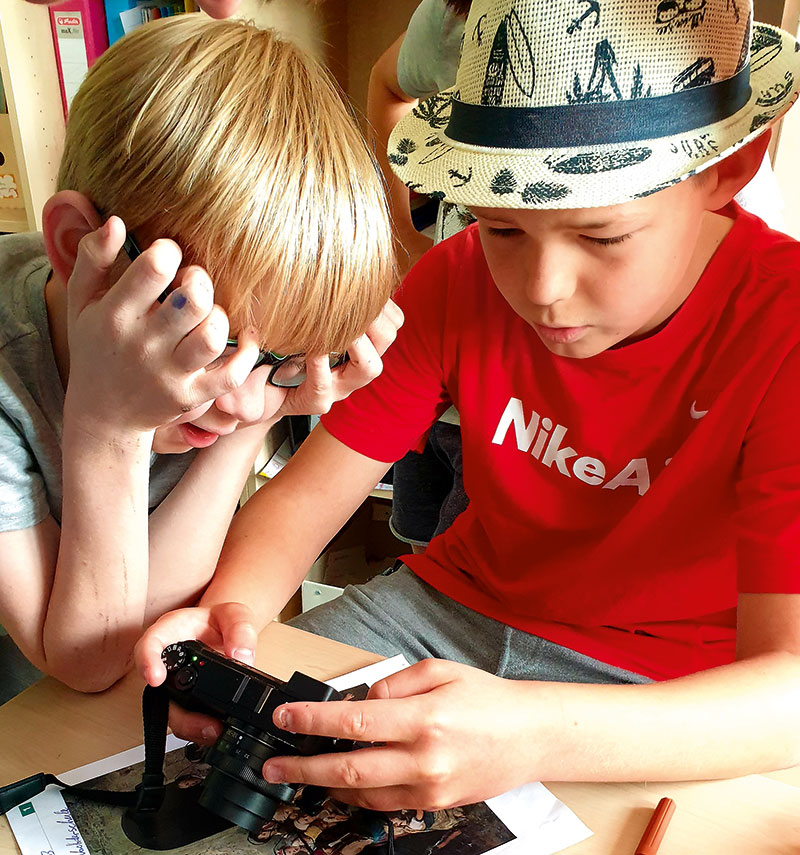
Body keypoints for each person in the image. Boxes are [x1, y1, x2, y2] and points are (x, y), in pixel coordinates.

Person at [138, 0, 800, 811]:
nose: (543, 292)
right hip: (443, 611)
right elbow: (309, 495)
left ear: (727, 170)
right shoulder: (455, 278)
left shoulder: (784, 329)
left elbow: (787, 692)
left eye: (602, 237)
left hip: (665, 688)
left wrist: (539, 731)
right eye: (502, 230)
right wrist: (230, 624)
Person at [0, 13, 400, 694]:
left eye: (278, 361)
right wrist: (106, 427)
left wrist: (257, 421)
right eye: (212, 345)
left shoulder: (236, 393)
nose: (244, 395)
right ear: (77, 248)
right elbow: (90, 659)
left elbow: (135, 627)